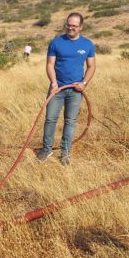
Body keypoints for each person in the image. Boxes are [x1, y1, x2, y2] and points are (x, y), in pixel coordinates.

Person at [37, 12, 96, 166]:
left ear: (81, 27)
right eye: (68, 25)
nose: (70, 28)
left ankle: (65, 153)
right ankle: (46, 149)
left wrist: (84, 83)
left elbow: (91, 66)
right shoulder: (56, 43)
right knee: (50, 119)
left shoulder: (87, 44)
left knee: (70, 121)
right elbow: (50, 65)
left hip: (76, 91)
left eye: (74, 26)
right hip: (57, 89)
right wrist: (54, 83)